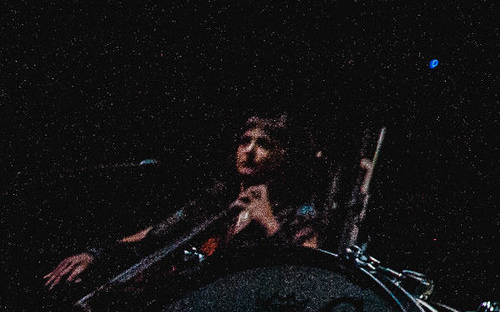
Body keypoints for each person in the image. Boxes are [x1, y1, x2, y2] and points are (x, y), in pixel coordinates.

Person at [43, 112, 324, 294]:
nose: (249, 151)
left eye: (263, 144)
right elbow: (156, 233)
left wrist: (269, 222)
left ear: (284, 155)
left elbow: (305, 280)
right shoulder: (217, 199)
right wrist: (96, 254)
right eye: (244, 141)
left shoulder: (300, 212)